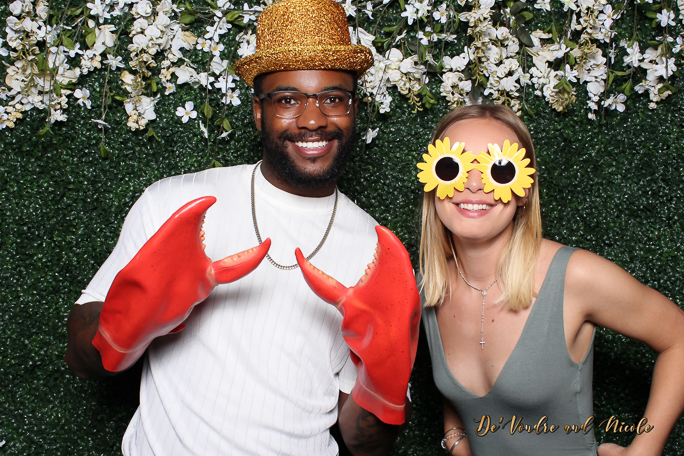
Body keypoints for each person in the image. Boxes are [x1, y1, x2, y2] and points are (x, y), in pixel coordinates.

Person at [64, 0, 420, 454]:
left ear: (354, 109)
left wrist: (383, 382)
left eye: (333, 98)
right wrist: (126, 321)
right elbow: (80, 359)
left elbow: (364, 445)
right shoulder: (176, 204)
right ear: (258, 111)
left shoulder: (378, 254)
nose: (313, 119)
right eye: (288, 99)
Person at [417, 104, 684, 456]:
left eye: (499, 169)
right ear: (432, 181)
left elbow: (678, 337)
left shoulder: (575, 276)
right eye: (452, 166)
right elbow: (461, 397)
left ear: (525, 190)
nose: (473, 182)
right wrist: (457, 441)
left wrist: (646, 447)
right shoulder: (428, 286)